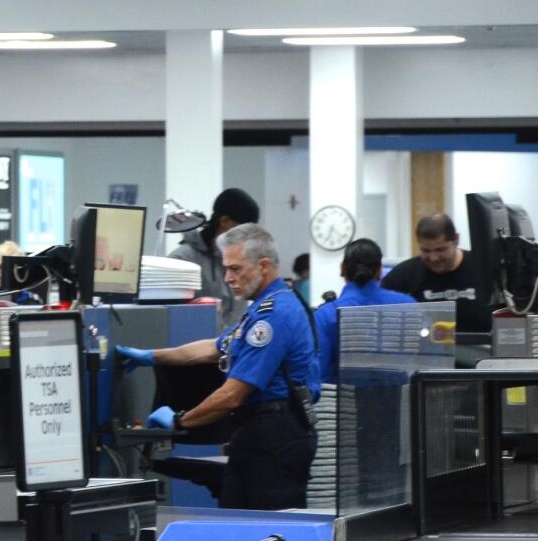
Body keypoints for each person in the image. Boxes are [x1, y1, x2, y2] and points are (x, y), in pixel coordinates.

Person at [120, 223, 320, 510]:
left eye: (236, 269)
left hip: (273, 436)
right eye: (226, 268)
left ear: (264, 266)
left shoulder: (273, 316)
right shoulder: (265, 306)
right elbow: (212, 349)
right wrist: (151, 356)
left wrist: (180, 421)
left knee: (260, 534)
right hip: (264, 432)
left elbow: (232, 395)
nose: (228, 278)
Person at [315, 238, 415, 384]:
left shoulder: (326, 314)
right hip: (400, 402)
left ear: (342, 268)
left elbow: (321, 373)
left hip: (345, 402)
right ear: (380, 271)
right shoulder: (408, 305)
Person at [381, 213, 490, 333]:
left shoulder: (484, 268)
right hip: (427, 349)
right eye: (425, 250)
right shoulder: (404, 274)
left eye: (440, 249)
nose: (433, 258)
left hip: (480, 349)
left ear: (456, 240)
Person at [169, 188, 261, 328]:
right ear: (224, 221)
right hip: (197, 347)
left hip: (234, 346)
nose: (247, 238)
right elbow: (171, 317)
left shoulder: (240, 261)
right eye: (243, 231)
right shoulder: (181, 260)